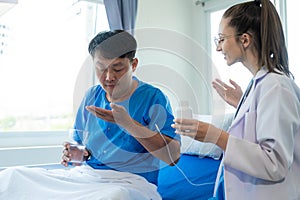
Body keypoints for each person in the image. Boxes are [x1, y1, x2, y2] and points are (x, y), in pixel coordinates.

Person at [0, 30, 180, 199]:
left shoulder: (153, 97)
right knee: (12, 176)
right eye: (101, 68)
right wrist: (77, 154)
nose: (108, 77)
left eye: (117, 69)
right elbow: (79, 145)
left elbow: (172, 157)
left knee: (114, 197)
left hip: (130, 182)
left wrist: (128, 124)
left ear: (133, 65)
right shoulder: (92, 95)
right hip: (86, 177)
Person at [172, 0, 300, 199]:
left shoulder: (276, 86)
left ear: (245, 40)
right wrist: (243, 104)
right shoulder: (262, 84)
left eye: (221, 39)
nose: (218, 48)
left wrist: (216, 136)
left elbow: (275, 163)